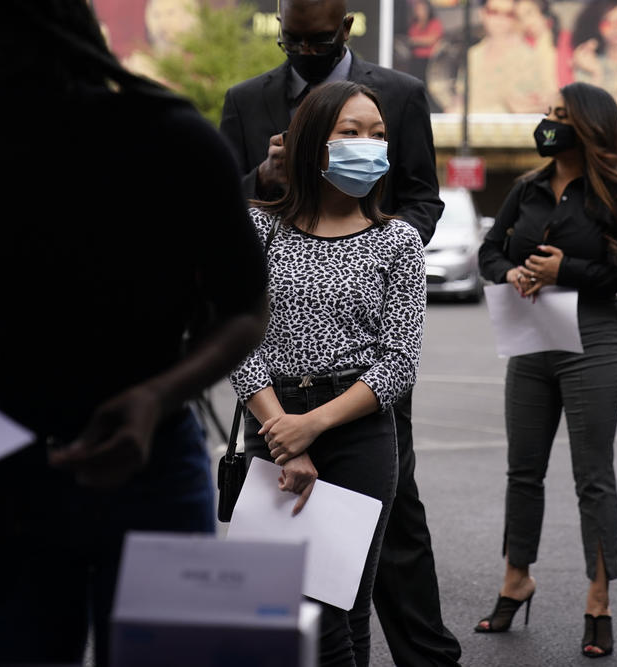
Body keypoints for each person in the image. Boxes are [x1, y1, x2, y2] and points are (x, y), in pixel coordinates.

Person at [0, 1, 268, 664]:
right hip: (13, 474)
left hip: (155, 465)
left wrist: (155, 397)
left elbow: (245, 310)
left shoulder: (172, 141)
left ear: (46, 38)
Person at [220, 2, 462, 665]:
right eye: (351, 133)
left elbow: (396, 360)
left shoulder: (397, 242)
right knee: (281, 606)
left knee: (339, 603)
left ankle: (428, 654)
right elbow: (239, 332)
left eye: (377, 135)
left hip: (356, 418)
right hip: (274, 420)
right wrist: (283, 431)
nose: (369, 146)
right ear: (309, 141)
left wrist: (315, 426)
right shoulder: (260, 222)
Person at [475, 82, 617, 659]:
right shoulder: (527, 188)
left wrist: (566, 271)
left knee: (592, 476)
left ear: (589, 126)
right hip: (530, 340)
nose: (547, 123)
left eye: (560, 116)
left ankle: (598, 601)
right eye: (547, 113)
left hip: (595, 341)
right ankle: (516, 578)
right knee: (521, 471)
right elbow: (488, 252)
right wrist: (511, 274)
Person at [450, 0, 553, 113]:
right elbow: (460, 97)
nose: (500, 19)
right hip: (471, 127)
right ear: (482, 13)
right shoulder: (473, 54)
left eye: (508, 14)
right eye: (494, 12)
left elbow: (527, 107)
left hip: (508, 129)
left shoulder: (526, 56)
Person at [407, 0, 443, 84]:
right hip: (415, 60)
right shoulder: (413, 25)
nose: (421, 12)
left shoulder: (435, 23)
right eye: (418, 9)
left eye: (423, 9)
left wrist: (415, 41)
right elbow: (409, 40)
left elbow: (431, 40)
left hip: (431, 61)